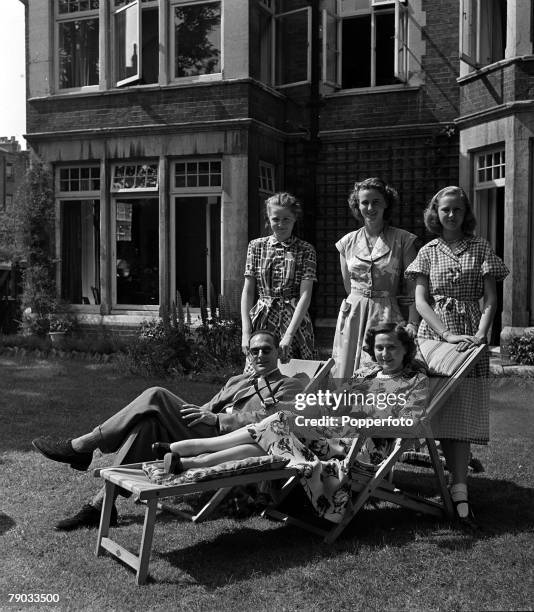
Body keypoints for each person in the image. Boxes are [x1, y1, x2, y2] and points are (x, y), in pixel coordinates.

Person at [31, 330, 304, 530]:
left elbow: (276, 418)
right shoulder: (238, 379)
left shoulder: (289, 385)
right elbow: (206, 407)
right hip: (202, 431)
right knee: (148, 423)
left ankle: (81, 447)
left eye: (266, 349)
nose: (259, 355)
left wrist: (219, 421)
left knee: (156, 394)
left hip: (227, 441)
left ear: (278, 352)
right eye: (254, 350)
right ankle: (101, 503)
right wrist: (196, 415)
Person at [155, 324, 428, 524]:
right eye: (379, 347)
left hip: (361, 448)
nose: (384, 353)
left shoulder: (413, 382)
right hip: (332, 434)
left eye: (391, 347)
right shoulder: (365, 373)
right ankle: (189, 462)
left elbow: (410, 424)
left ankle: (182, 448)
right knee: (267, 442)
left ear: (406, 349)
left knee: (278, 423)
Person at [405, 185, 509, 527]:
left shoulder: (480, 247)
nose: (451, 215)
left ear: (466, 214)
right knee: (429, 409)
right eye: (444, 210)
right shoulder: (428, 250)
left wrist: (481, 335)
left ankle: (460, 487)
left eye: (457, 210)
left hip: (469, 338)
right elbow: (420, 301)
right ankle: (432, 479)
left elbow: (491, 299)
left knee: (461, 414)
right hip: (433, 338)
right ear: (435, 213)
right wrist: (444, 333)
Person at [332, 177, 420, 380]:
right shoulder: (346, 243)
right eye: (364, 202)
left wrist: (413, 323)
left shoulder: (403, 240)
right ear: (357, 205)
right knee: (345, 372)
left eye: (376, 201)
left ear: (386, 203)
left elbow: (412, 286)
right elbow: (348, 287)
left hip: (386, 313)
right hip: (354, 314)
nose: (370, 207)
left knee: (385, 371)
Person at [241, 192, 317, 368]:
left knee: (297, 375)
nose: (281, 224)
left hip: (294, 321)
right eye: (276, 219)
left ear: (294, 219)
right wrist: (246, 332)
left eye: (286, 219)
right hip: (262, 319)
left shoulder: (306, 250)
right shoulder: (256, 246)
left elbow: (305, 295)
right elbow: (248, 290)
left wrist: (290, 334)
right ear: (268, 218)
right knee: (258, 372)